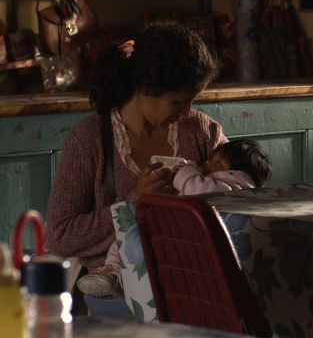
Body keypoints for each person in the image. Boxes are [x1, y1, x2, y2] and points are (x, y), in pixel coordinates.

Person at [45, 19, 225, 318]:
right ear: (145, 87)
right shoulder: (89, 140)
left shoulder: (202, 132)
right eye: (179, 101)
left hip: (194, 278)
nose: (187, 112)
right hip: (118, 290)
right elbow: (60, 236)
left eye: (194, 100)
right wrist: (135, 201)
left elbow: (241, 192)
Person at [76, 139, 272, 299]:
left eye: (218, 162)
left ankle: (119, 275)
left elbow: (204, 193)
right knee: (128, 234)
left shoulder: (231, 188)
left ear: (236, 174)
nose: (207, 163)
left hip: (190, 242)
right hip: (176, 230)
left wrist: (186, 174)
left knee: (138, 241)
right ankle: (112, 272)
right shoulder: (215, 180)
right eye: (212, 158)